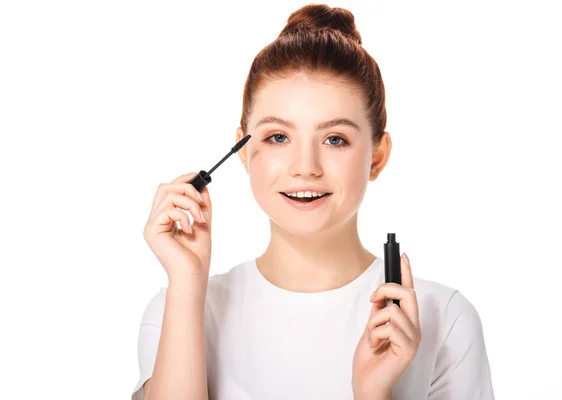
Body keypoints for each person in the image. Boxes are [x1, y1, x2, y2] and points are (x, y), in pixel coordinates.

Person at [133, 4, 495, 400]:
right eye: (277, 137)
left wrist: (372, 393)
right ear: (243, 151)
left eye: (334, 139)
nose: (305, 168)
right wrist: (186, 285)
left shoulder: (444, 318)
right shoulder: (180, 310)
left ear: (377, 156)